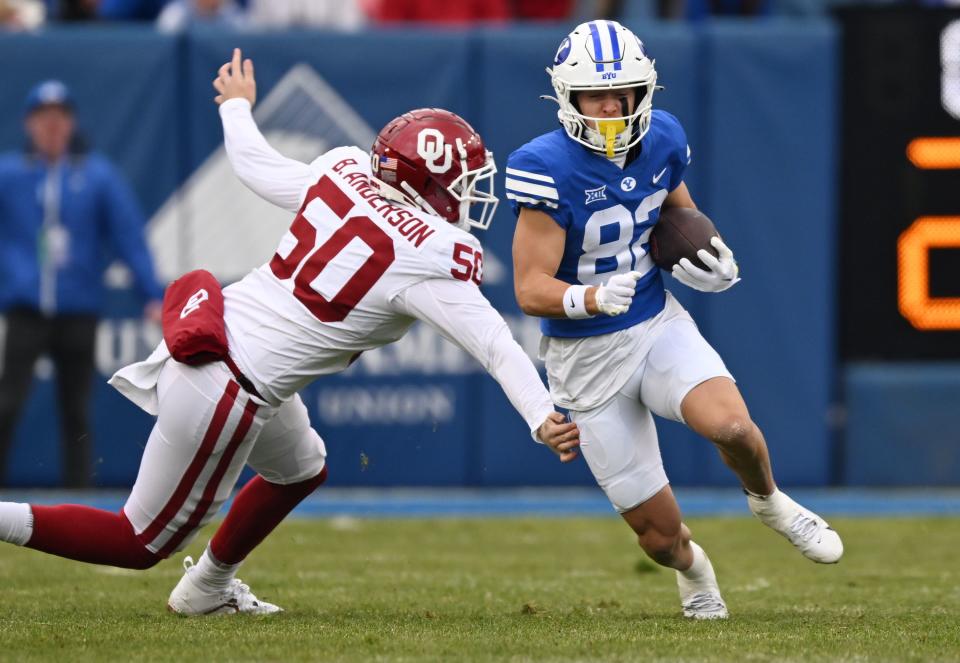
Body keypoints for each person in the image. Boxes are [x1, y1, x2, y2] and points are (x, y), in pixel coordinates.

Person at [0, 49, 580, 616]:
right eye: (460, 182)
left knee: (301, 468)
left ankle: (209, 586)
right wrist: (537, 415)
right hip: (228, 387)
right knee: (136, 541)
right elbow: (495, 345)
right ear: (425, 184)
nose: (469, 195)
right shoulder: (427, 254)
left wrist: (235, 107)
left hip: (221, 337)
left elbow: (253, 164)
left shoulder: (343, 173)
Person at [508, 21, 843, 620]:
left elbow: (679, 213)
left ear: (644, 91)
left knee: (733, 429)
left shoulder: (663, 137)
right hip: (585, 360)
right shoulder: (544, 164)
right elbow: (531, 288)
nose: (611, 106)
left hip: (655, 322)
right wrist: (587, 299)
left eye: (622, 93)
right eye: (595, 95)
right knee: (659, 539)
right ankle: (696, 570)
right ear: (568, 96)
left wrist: (709, 259)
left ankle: (769, 502)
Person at [0, 80, 164, 488]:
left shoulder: (97, 177)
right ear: (30, 124)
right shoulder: (11, 175)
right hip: (25, 309)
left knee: (76, 407)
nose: (52, 127)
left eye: (60, 118)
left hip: (78, 310)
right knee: (8, 402)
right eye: (44, 118)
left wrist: (152, 295)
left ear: (71, 124)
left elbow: (129, 236)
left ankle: (78, 495)